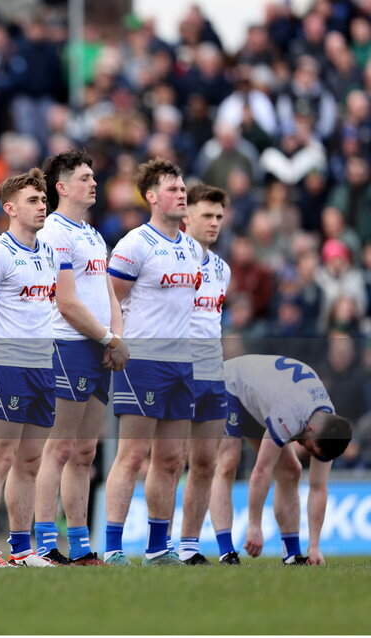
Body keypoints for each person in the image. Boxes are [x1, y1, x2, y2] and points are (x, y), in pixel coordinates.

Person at [103, 158, 201, 566]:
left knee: (172, 459)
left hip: (182, 363)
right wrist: (116, 341)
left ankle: (158, 548)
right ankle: (111, 548)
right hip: (143, 361)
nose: (182, 195)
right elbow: (111, 296)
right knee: (132, 455)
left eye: (183, 189)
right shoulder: (135, 244)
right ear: (152, 197)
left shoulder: (192, 247)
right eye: (174, 190)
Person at [33, 149, 128, 566]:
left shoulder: (90, 233)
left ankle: (81, 543)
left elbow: (106, 292)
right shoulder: (54, 232)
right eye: (85, 177)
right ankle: (44, 543)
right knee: (59, 447)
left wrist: (116, 336)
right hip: (67, 345)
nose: (94, 182)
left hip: (98, 347)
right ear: (62, 187)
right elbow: (67, 304)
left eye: (93, 176)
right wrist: (109, 338)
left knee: (85, 453)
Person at [0, 169, 56, 568]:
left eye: (43, 200)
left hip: (44, 365)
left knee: (31, 462)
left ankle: (22, 548)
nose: (42, 207)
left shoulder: (50, 252)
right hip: (6, 367)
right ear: (10, 208)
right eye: (33, 201)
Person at [212, 354, 352, 566]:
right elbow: (261, 471)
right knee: (229, 462)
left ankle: (291, 555)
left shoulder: (328, 422)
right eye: (310, 448)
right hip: (231, 386)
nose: (307, 452)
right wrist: (254, 525)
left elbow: (318, 487)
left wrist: (314, 546)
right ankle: (226, 552)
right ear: (310, 430)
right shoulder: (290, 413)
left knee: (290, 471)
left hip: (263, 401)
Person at [175, 184, 232, 565]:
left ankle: (189, 546)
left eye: (218, 217)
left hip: (212, 371)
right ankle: (154, 543)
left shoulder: (222, 269)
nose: (214, 223)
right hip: (176, 369)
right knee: (166, 459)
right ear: (186, 217)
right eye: (206, 215)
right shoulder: (173, 260)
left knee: (206, 463)